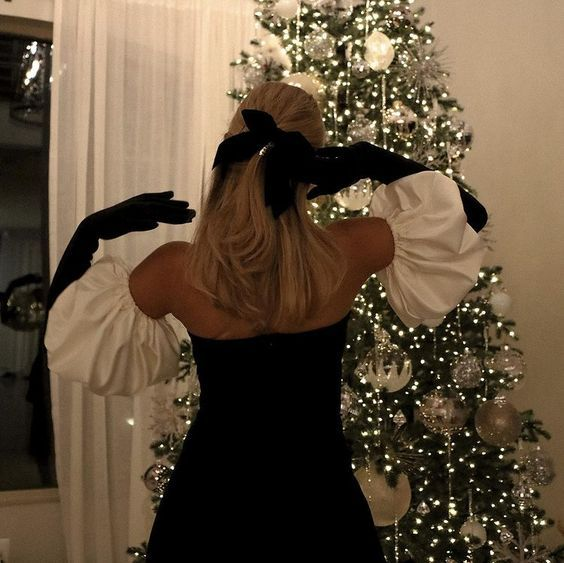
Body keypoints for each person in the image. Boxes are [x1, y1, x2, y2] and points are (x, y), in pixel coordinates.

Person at [45, 81, 487, 561]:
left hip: (207, 509)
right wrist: (371, 160)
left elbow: (67, 331)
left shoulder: (180, 270)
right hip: (321, 508)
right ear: (314, 163)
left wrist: (89, 232)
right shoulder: (348, 250)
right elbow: (468, 218)